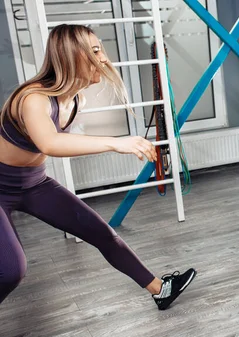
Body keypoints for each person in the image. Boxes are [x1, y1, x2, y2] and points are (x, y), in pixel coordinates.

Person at [0, 24, 196, 310]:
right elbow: (49, 144)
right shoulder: (34, 98)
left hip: (34, 183)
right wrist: (116, 142)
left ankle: (160, 289)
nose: (103, 58)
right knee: (12, 270)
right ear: (70, 55)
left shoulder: (73, 99)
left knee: (100, 232)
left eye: (100, 49)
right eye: (94, 51)